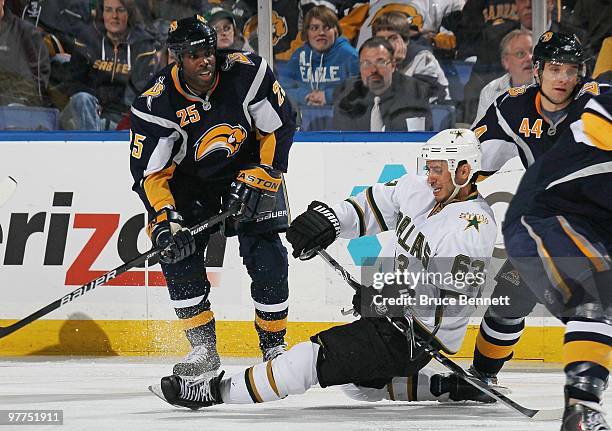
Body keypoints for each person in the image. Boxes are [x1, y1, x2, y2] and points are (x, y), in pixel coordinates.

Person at [148, 128, 499, 410]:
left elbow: (453, 300)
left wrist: (385, 298)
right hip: (389, 319)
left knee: (310, 359)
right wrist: (329, 221)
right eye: (430, 167)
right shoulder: (421, 192)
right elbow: (371, 205)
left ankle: (213, 392)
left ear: (464, 171)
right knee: (357, 385)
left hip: (414, 336)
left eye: (439, 170)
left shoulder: (472, 225)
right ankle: (446, 387)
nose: (430, 176)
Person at [129, 15, 297, 378]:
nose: (205, 59)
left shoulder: (247, 72)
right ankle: (203, 348)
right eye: (193, 54)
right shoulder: (155, 103)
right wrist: (165, 217)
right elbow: (151, 174)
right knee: (177, 254)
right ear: (176, 57)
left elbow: (280, 124)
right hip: (190, 183)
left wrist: (265, 173)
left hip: (249, 168)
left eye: (207, 50)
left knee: (267, 253)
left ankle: (274, 345)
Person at [466, 31, 610, 392]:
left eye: (571, 70)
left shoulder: (600, 103)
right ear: (538, 70)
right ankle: (482, 374)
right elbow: (473, 159)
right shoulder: (511, 107)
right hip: (552, 221)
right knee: (513, 293)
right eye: (555, 69)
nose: (563, 78)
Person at [502, 91, 611, 430]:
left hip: (593, 230)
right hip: (547, 215)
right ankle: (581, 408)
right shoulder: (604, 98)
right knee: (596, 294)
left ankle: (579, 405)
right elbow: (597, 117)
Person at [59, 0, 159, 130]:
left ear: (129, 14)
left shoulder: (143, 46)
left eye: (120, 10)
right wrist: (96, 101)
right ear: (102, 13)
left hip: (121, 119)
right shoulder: (87, 39)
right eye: (108, 10)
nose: (114, 16)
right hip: (85, 113)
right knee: (82, 99)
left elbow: (143, 92)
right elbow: (73, 83)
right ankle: (91, 145)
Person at [332, 37, 431, 131]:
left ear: (393, 65)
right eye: (367, 63)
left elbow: (416, 140)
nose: (373, 70)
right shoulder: (347, 92)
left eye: (381, 62)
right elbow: (342, 139)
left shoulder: (414, 92)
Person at [281, 5, 359, 108]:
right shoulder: (299, 55)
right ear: (306, 33)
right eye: (314, 28)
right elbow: (282, 87)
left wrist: (328, 96)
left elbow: (359, 89)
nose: (321, 33)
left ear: (336, 31)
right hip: (306, 119)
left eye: (326, 27)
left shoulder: (349, 55)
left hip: (342, 118)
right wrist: (305, 96)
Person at [372, 10, 449, 102]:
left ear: (405, 40)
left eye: (392, 38)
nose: (385, 44)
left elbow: (419, 96)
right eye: (380, 39)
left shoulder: (422, 57)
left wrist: (394, 66)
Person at [473, 29, 533, 124]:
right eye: (521, 54)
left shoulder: (552, 88)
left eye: (533, 51)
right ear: (506, 61)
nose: (530, 58)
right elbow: (480, 132)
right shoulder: (490, 91)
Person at [0, 0, 50, 107]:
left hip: (16, 110)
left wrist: (6, 100)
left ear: (2, 1)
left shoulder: (27, 33)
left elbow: (37, 80)